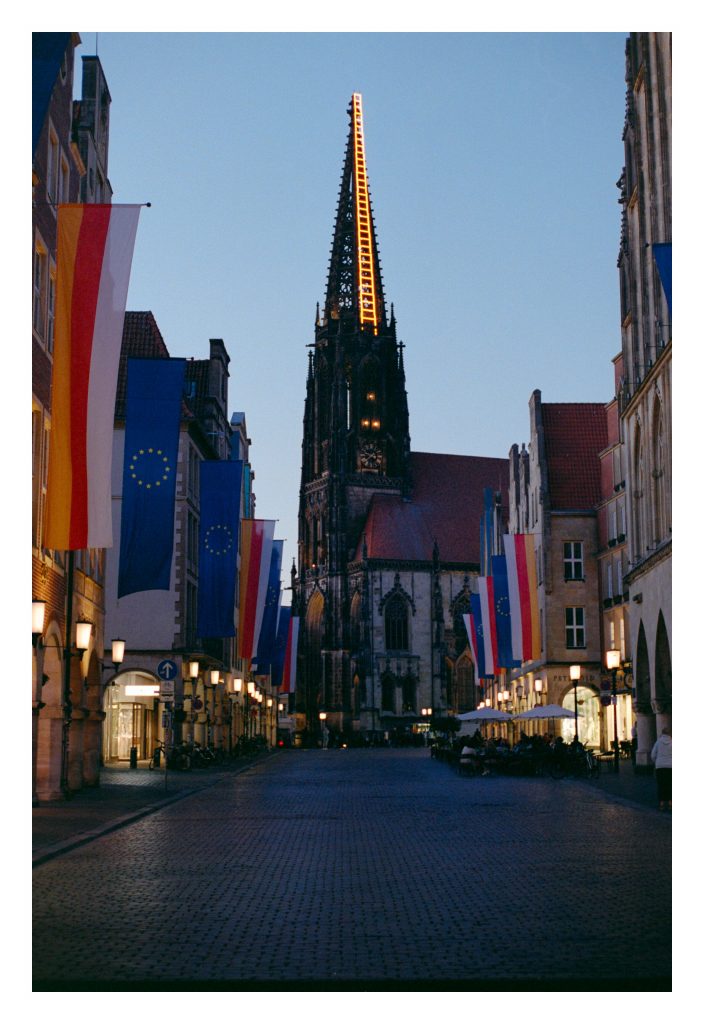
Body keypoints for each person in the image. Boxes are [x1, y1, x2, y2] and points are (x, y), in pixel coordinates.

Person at [651, 726, 672, 811]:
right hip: (671, 766)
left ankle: (662, 803)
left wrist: (656, 762)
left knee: (661, 785)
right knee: (670, 785)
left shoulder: (658, 742)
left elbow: (653, 755)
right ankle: (670, 803)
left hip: (660, 767)